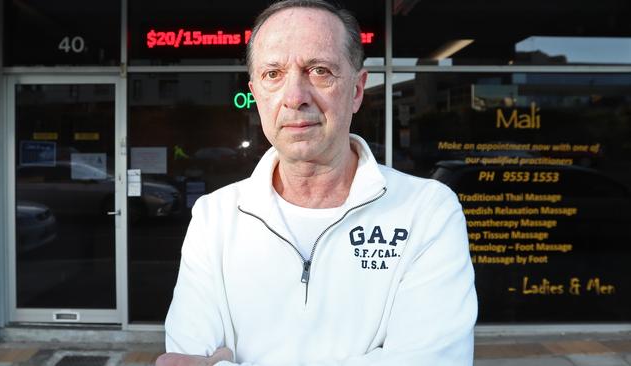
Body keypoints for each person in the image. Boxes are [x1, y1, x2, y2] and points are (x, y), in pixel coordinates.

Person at [157, 1, 477, 365]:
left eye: (319, 70)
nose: (295, 97)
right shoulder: (214, 217)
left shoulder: (428, 212)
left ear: (357, 91)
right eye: (273, 74)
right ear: (256, 93)